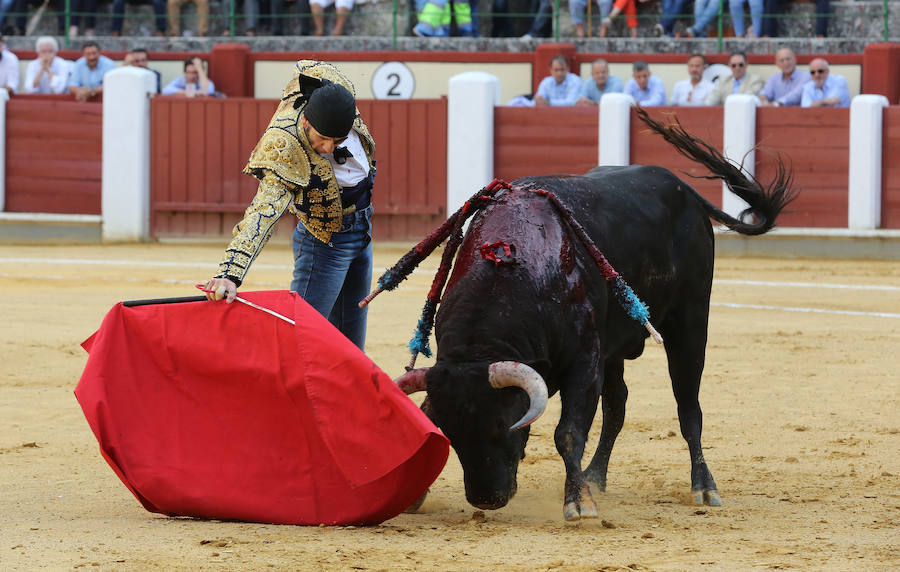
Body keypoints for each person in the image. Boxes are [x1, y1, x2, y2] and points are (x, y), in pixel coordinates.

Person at [204, 60, 377, 352]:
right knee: (299, 344)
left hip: (362, 232)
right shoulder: (284, 147)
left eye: (337, 140)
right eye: (322, 139)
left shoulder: (335, 90)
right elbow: (263, 212)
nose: (327, 149)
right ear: (307, 122)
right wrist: (230, 272)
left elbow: (315, 68)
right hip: (323, 245)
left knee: (350, 350)